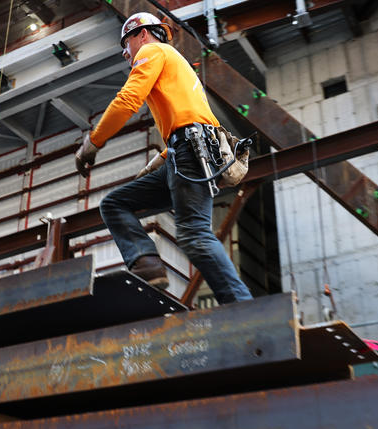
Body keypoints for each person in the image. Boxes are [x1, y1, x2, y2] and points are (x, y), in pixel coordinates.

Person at [74, 12, 252, 304]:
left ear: (142, 35)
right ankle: (147, 263)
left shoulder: (153, 50)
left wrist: (92, 143)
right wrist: (164, 158)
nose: (125, 51)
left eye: (126, 42)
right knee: (115, 203)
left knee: (194, 234)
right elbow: (192, 119)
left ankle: (241, 305)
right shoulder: (177, 66)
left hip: (188, 153)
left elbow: (127, 99)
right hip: (185, 153)